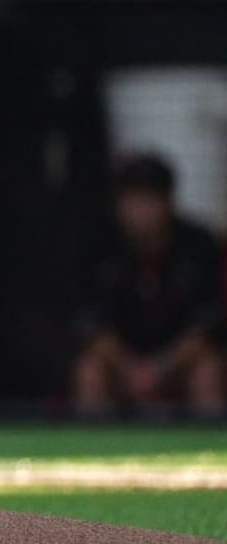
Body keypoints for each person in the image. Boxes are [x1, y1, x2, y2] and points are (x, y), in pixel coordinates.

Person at [71, 153, 224, 418]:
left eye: (149, 200)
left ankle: (209, 454)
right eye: (132, 200)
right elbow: (92, 326)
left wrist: (159, 369)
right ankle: (94, 454)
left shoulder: (199, 245)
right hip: (120, 362)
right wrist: (130, 369)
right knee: (89, 371)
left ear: (168, 203)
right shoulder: (97, 245)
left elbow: (204, 327)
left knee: (208, 370)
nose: (140, 211)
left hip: (178, 362)